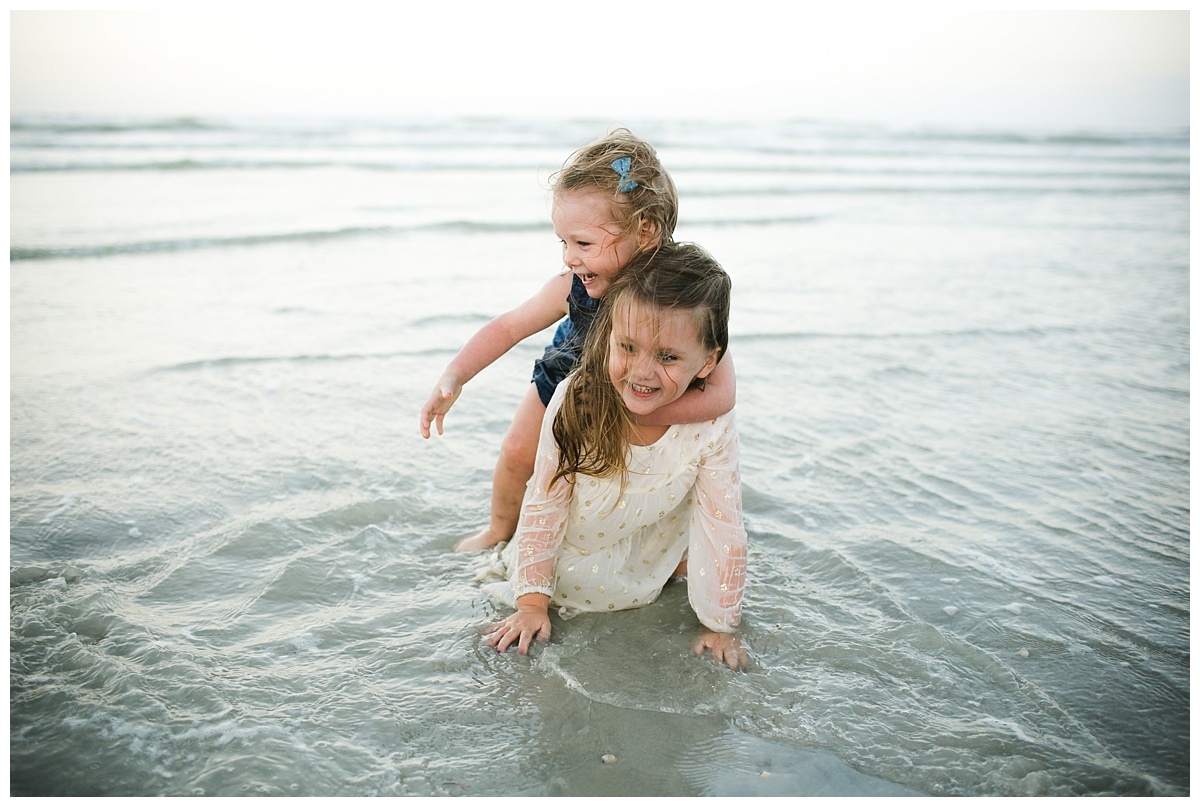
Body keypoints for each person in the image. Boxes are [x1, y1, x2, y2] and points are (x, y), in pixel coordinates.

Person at [418, 130, 736, 553]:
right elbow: (510, 326)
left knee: (645, 477)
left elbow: (723, 392)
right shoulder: (573, 287)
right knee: (517, 452)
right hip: (571, 376)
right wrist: (456, 374)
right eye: (564, 242)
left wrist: (642, 417)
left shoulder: (680, 298)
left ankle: (661, 552)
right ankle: (498, 529)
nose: (568, 256)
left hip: (645, 394)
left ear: (645, 232)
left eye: (583, 243)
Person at [482, 242, 748, 670]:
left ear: (708, 362)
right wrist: (532, 603)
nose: (642, 372)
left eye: (667, 357)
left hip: (646, 572)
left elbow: (722, 520)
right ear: (608, 336)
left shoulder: (711, 423)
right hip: (566, 569)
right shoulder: (578, 400)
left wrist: (720, 623)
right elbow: (545, 503)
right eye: (627, 347)